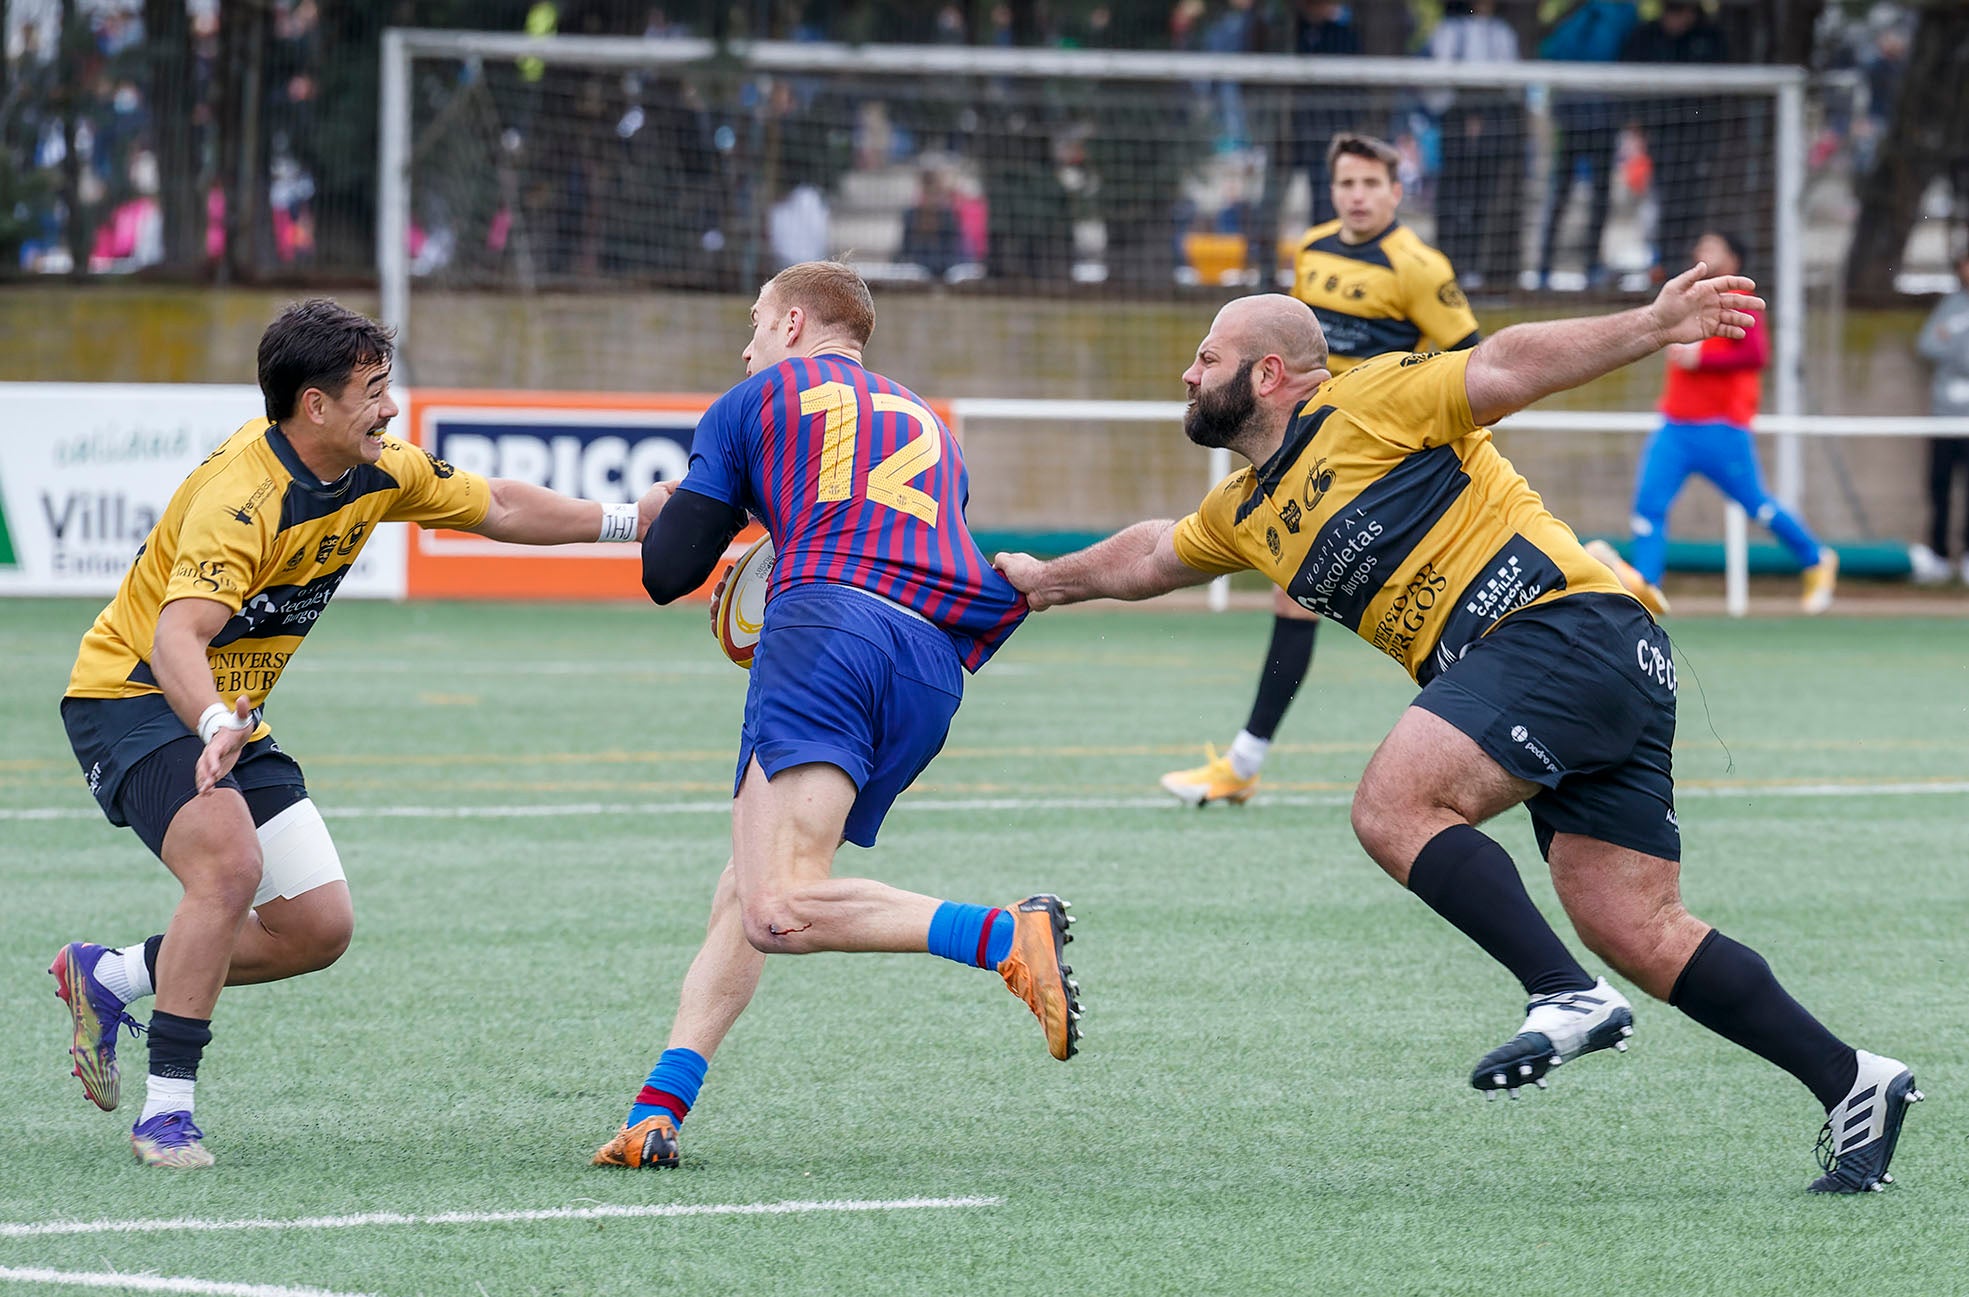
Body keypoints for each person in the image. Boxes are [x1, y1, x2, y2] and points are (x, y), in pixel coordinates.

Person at [994, 270, 1920, 1193]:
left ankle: (1564, 995)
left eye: (1207, 358)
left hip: (1562, 628)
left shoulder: (1364, 400)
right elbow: (1153, 554)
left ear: (1270, 373)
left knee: (1393, 805)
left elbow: (1507, 363)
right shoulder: (1243, 513)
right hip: (1592, 666)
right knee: (1632, 924)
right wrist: (1044, 582)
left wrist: (1652, 324)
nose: (1188, 377)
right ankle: (1851, 1080)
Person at [53, 298, 671, 1169]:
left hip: (228, 712)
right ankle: (166, 1112)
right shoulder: (242, 499)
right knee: (228, 865)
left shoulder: (376, 467)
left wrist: (628, 524)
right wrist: (218, 721)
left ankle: (111, 976)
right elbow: (174, 637)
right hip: (136, 695)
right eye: (374, 390)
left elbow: (494, 503)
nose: (391, 407)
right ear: (315, 406)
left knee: (316, 926)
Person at [593, 261, 1081, 1170]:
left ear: (790, 322)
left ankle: (999, 932)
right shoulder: (929, 423)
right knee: (747, 889)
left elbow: (670, 572)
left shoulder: (755, 398)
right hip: (932, 663)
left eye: (752, 323)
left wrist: (658, 509)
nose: (744, 345)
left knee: (779, 906)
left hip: (826, 633)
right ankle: (656, 1111)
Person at [1160, 133, 1479, 808]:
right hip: (1316, 448)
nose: (1356, 196)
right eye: (1345, 184)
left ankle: (1248, 762)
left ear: (1396, 193)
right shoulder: (1311, 250)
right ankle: (1245, 761)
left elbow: (1472, 364)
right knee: (1295, 591)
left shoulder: (1418, 266)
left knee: (1425, 599)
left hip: (1384, 455)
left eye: (1370, 184)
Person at [1594, 230, 1836, 615]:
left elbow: (1757, 354)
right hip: (1675, 427)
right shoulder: (1684, 299)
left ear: (1733, 259)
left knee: (1758, 506)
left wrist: (1701, 358)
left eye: (1712, 248)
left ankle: (1816, 559)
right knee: (1648, 506)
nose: (1700, 251)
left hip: (1722, 429)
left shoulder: (1741, 299)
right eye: (1700, 245)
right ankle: (1646, 585)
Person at [1533, 1, 1639, 290]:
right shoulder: (1617, 12)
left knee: (1571, 193)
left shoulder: (1583, 12)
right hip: (1588, 115)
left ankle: (1557, 265)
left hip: (1582, 114)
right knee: (1585, 194)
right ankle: (1578, 266)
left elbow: (1550, 50)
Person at [1910, 247, 1969, 584]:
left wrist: (1955, 341)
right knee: (1939, 487)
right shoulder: (1951, 306)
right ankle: (1939, 556)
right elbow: (1929, 344)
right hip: (1944, 416)